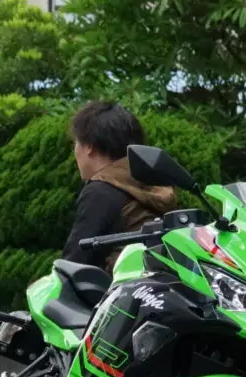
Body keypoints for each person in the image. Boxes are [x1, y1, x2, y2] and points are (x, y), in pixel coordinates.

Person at [61, 101, 177, 271]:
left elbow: (74, 264)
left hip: (123, 284)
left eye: (76, 143)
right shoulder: (152, 185)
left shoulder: (100, 191)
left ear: (90, 147)